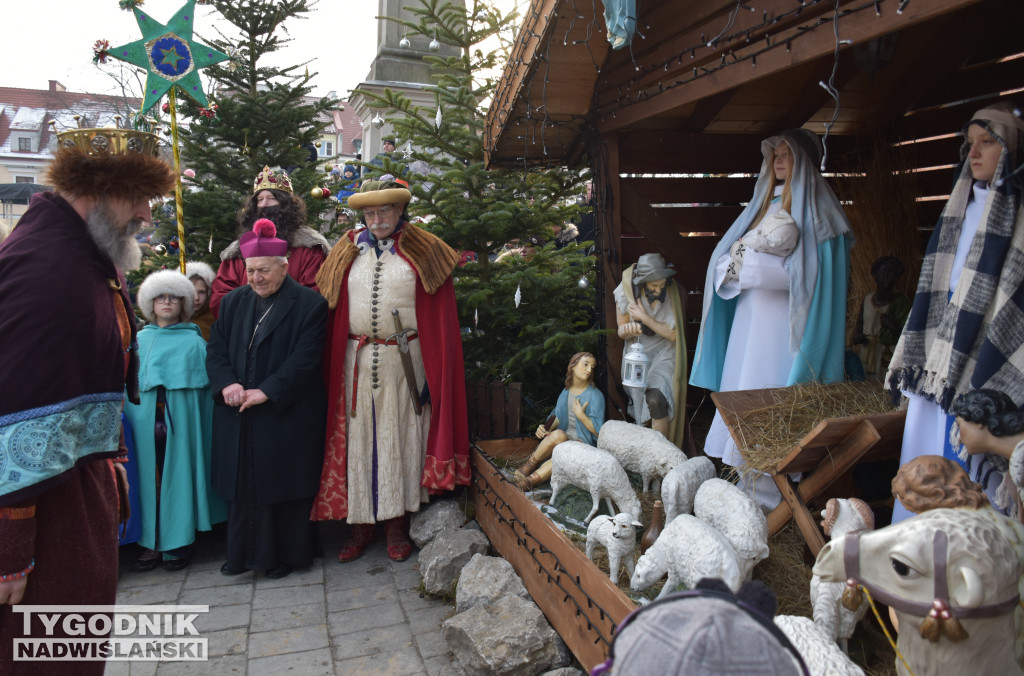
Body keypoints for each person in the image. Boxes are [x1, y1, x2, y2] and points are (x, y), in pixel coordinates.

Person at [0, 121, 174, 674]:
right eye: (140, 197)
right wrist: (10, 548)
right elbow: (14, 413)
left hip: (75, 492)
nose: (147, 213)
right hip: (46, 515)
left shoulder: (84, 256)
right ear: (98, 190)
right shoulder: (48, 272)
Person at [691, 129, 851, 509]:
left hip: (785, 330)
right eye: (774, 155)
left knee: (768, 398)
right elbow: (727, 257)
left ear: (804, 160)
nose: (778, 161)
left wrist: (752, 268)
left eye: (787, 155)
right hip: (749, 321)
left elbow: (814, 278)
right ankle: (745, 494)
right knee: (742, 389)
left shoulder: (822, 214)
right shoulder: (762, 205)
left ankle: (768, 502)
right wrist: (732, 266)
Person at [312, 178, 470, 562]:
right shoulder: (346, 250)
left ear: (400, 211)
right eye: (369, 213)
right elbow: (325, 306)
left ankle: (397, 524)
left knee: (399, 438)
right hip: (356, 361)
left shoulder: (425, 250)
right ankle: (359, 526)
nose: (376, 219)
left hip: (407, 363)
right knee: (358, 438)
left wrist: (436, 371)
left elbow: (442, 321)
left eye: (384, 211)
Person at [886, 102, 1024, 522]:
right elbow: (937, 285)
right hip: (936, 355)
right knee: (923, 445)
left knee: (967, 455)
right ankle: (912, 545)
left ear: (1012, 150)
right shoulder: (956, 209)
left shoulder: (1019, 215)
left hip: (982, 354)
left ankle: (963, 554)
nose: (975, 153)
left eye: (988, 143)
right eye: (970, 145)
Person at [206, 218, 328, 579]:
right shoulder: (233, 303)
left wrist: (268, 391)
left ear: (284, 266)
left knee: (282, 484)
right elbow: (216, 351)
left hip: (283, 410)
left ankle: (285, 558)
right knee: (242, 486)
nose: (255, 278)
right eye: (250, 271)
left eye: (263, 270)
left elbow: (305, 359)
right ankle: (242, 556)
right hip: (238, 410)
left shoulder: (309, 304)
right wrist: (227, 384)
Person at [124, 270, 225, 572]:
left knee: (180, 475)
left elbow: (205, 400)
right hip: (144, 425)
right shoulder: (139, 340)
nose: (166, 303)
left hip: (179, 425)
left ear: (184, 304)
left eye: (173, 297)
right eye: (160, 297)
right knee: (147, 477)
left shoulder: (194, 343)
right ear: (149, 303)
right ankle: (149, 543)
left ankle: (178, 541)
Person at [209, 166, 331, 317]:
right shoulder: (237, 250)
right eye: (260, 199)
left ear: (286, 204)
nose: (264, 205)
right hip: (244, 329)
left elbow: (315, 295)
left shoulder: (309, 246)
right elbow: (221, 295)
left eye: (272, 198)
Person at [613, 253, 687, 448]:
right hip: (638, 355)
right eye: (654, 285)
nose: (659, 289)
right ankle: (646, 453)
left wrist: (644, 318)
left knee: (656, 399)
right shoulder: (626, 291)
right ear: (643, 282)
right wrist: (628, 330)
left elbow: (673, 334)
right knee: (640, 405)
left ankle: (661, 453)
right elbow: (620, 329)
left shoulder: (671, 293)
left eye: (661, 284)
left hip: (665, 354)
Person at [513, 352, 605, 490]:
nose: (589, 370)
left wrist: (582, 416)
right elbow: (557, 414)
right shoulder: (566, 391)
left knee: (563, 453)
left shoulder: (595, 395)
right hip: (564, 436)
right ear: (573, 367)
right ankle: (527, 467)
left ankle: (530, 482)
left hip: (581, 444)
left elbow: (599, 432)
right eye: (585, 365)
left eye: (592, 367)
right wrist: (546, 427)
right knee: (558, 435)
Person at [949, 389, 1024, 521]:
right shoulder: (1016, 462)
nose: (959, 438)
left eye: (960, 425)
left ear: (978, 420)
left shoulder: (1020, 459)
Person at [851, 255, 910, 380]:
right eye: (886, 273)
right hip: (867, 352)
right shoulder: (867, 299)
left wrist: (892, 326)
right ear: (876, 275)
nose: (890, 277)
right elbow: (860, 323)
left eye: (895, 274)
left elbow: (908, 335)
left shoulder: (902, 303)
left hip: (887, 354)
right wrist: (858, 334)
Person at [186, 260, 216, 341]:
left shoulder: (212, 320)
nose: (196, 298)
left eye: (201, 292)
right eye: (191, 292)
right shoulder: (174, 319)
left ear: (208, 293)